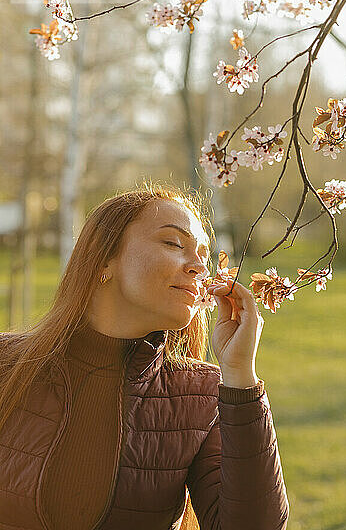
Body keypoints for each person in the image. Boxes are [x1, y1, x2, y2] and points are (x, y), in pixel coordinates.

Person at [0, 179, 289, 530]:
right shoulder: (7, 364)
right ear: (104, 260)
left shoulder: (202, 394)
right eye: (173, 243)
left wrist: (240, 373)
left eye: (203, 254)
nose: (200, 266)